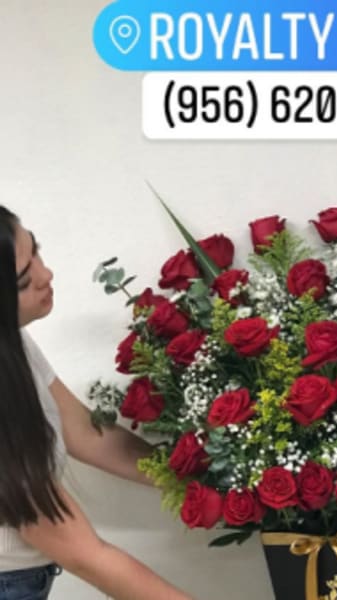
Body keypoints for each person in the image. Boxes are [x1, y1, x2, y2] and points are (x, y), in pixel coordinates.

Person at [0, 205, 195, 600]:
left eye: (36, 250)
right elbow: (89, 557)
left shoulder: (12, 343)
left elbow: (86, 433)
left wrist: (196, 482)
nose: (46, 275)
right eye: (23, 280)